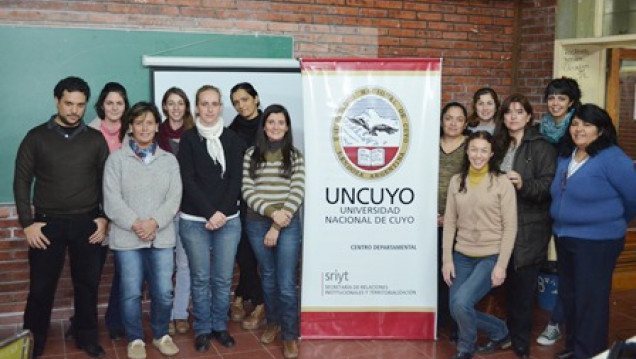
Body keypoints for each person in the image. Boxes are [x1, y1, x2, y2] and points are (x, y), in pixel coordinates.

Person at [13, 76, 109, 358]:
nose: (74, 110)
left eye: (80, 105)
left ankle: (87, 337)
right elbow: (21, 182)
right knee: (41, 289)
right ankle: (33, 341)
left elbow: (107, 181)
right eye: (68, 103)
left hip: (87, 222)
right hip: (46, 224)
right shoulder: (36, 137)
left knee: (88, 286)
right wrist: (27, 224)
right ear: (57, 101)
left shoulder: (95, 140)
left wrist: (104, 218)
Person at [550, 104, 636, 359]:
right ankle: (574, 347)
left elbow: (633, 197)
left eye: (587, 124)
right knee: (571, 297)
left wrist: (615, 221)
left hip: (598, 241)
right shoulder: (567, 154)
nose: (579, 129)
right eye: (575, 123)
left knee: (591, 301)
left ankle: (590, 353)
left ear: (600, 129)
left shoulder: (612, 158)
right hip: (565, 237)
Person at [103, 102, 182, 359]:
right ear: (130, 127)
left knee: (163, 290)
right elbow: (111, 200)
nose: (145, 127)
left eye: (150, 122)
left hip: (161, 237)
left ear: (157, 126)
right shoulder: (116, 160)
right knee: (131, 292)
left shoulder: (169, 160)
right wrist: (137, 224)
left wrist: (154, 223)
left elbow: (174, 198)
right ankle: (135, 338)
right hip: (127, 238)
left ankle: (161, 335)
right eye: (139, 123)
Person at [178, 85, 245, 352]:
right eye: (204, 104)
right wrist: (210, 213)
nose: (209, 109)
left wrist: (222, 213)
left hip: (228, 220)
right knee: (200, 277)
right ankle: (203, 328)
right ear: (196, 107)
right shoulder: (189, 139)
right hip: (195, 220)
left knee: (223, 278)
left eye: (214, 104)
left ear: (220, 108)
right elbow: (188, 179)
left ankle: (220, 326)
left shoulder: (232, 139)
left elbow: (235, 179)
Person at [442, 131, 517, 359]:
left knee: (462, 302)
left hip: (490, 255)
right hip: (462, 254)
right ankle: (501, 331)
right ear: (467, 151)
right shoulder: (457, 181)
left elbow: (510, 227)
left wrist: (501, 265)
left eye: (484, 150)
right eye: (474, 149)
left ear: (491, 153)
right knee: (456, 307)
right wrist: (447, 260)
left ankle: (466, 347)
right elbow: (450, 222)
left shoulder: (502, 183)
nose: (478, 155)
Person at [493, 94, 556, 359]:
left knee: (521, 292)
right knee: (503, 288)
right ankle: (505, 336)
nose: (513, 117)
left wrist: (523, 184)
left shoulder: (541, 146)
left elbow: (548, 186)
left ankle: (521, 344)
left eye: (519, 112)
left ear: (529, 117)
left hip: (528, 229)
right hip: (497, 225)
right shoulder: (498, 144)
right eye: (508, 112)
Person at [242, 104, 305, 359]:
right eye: (271, 122)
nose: (276, 126)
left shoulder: (295, 156)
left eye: (281, 122)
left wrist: (278, 224)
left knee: (287, 283)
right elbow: (248, 191)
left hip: (287, 225)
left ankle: (290, 335)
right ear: (264, 126)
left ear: (287, 126)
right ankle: (273, 322)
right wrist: (272, 215)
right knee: (267, 276)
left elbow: (297, 191)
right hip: (257, 223)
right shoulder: (251, 154)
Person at [536, 77, 582, 348]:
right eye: (552, 97)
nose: (555, 103)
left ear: (571, 103)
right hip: (546, 206)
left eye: (561, 98)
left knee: (571, 271)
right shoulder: (541, 128)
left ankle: (558, 323)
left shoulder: (577, 130)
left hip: (572, 209)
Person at [89, 81, 130, 341]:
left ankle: (116, 320)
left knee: (124, 272)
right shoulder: (88, 132)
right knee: (89, 272)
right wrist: (101, 214)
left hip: (125, 215)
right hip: (94, 214)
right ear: (102, 105)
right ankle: (83, 321)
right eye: (110, 103)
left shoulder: (133, 132)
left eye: (119, 103)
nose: (114, 108)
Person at [156, 87, 195, 336]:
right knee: (163, 266)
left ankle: (180, 313)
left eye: (180, 103)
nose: (176, 108)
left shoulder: (196, 133)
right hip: (161, 211)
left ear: (186, 106)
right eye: (171, 103)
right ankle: (164, 314)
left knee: (185, 264)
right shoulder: (154, 133)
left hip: (189, 210)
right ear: (164, 106)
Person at [228, 82, 266, 330]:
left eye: (245, 99)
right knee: (243, 253)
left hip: (266, 201)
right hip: (240, 201)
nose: (241, 105)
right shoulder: (231, 129)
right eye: (236, 102)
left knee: (259, 253)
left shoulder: (270, 124)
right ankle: (259, 299)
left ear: (256, 98)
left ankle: (245, 297)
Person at [437, 102, 468, 342]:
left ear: (466, 124)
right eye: (449, 118)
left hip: (459, 221)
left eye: (459, 119)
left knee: (456, 274)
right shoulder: (430, 143)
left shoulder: (471, 147)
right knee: (435, 273)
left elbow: (474, 184)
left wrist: (451, 217)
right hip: (429, 219)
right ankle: (437, 322)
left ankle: (458, 326)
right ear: (441, 121)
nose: (453, 123)